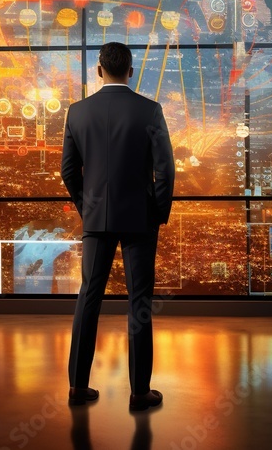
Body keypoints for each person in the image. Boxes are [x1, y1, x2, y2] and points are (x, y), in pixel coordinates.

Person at [61, 41, 176, 411]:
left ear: (98, 70)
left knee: (88, 298)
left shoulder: (77, 113)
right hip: (140, 219)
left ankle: (78, 386)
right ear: (131, 70)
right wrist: (157, 212)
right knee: (139, 302)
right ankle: (140, 392)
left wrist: (88, 208)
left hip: (96, 219)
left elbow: (68, 171)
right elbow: (166, 169)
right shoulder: (150, 110)